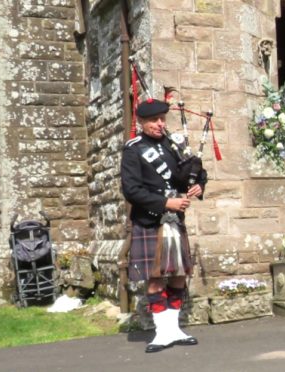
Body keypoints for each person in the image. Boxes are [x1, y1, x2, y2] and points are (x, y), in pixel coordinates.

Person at [121, 99, 207, 353]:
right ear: (141, 122)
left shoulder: (173, 145)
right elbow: (132, 190)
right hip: (151, 220)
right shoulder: (133, 150)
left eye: (162, 119)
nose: (160, 124)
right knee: (156, 277)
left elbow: (195, 170)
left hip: (175, 222)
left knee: (179, 274)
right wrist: (166, 203)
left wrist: (199, 184)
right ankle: (162, 332)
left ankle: (174, 329)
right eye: (154, 121)